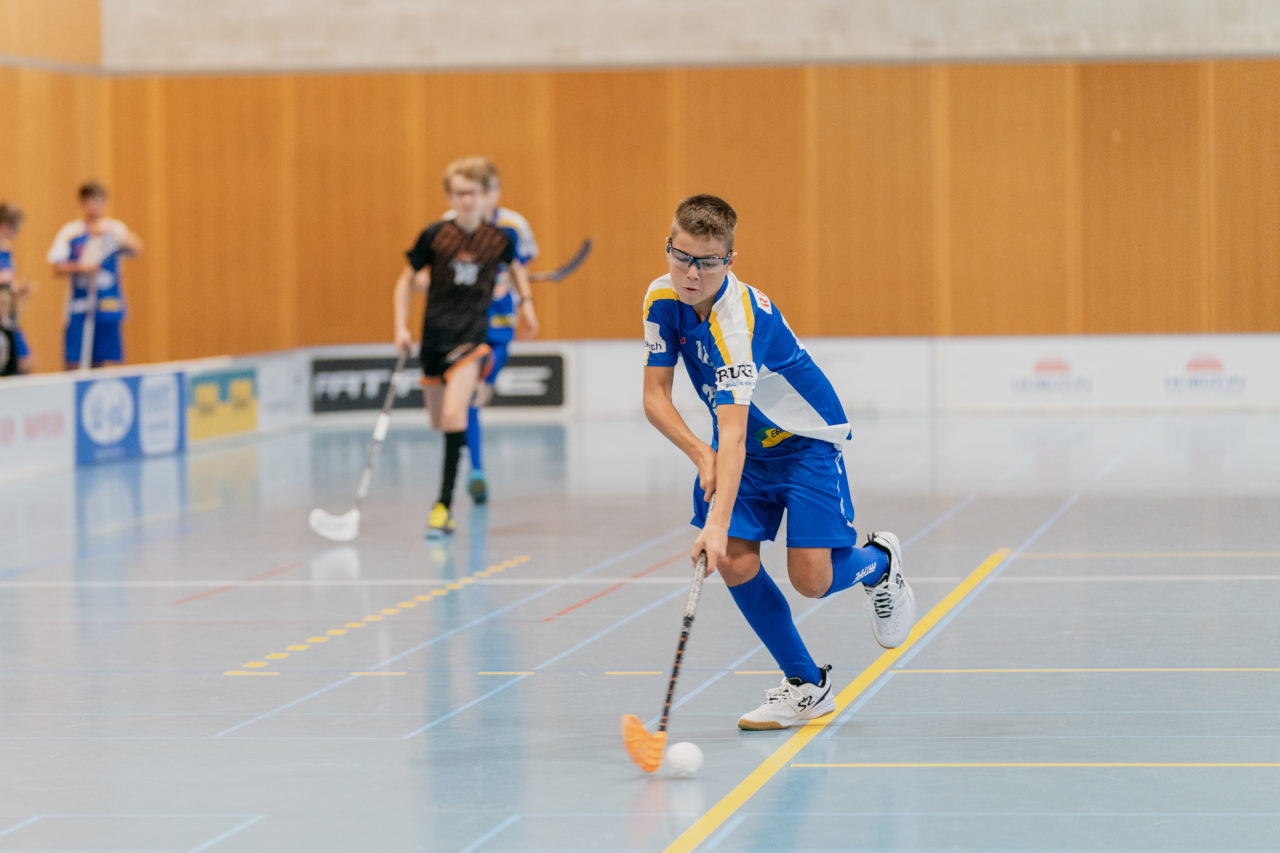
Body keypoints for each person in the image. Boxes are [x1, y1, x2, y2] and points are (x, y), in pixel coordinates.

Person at [641, 194, 917, 730]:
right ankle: (807, 685)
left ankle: (880, 564)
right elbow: (655, 397)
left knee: (812, 580)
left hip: (804, 442)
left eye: (707, 262)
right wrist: (699, 454)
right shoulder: (660, 297)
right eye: (681, 256)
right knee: (734, 561)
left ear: (730, 261)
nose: (691, 274)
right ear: (668, 245)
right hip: (743, 443)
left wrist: (715, 522)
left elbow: (733, 434)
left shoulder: (737, 324)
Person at [394, 157, 538, 536]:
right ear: (449, 197)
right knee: (442, 422)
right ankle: (463, 473)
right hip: (434, 341)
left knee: (456, 414)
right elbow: (406, 280)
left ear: (485, 195)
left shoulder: (501, 237)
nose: (467, 200)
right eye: (459, 194)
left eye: (473, 193)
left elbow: (517, 267)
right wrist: (400, 327)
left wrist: (526, 305)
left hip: (472, 341)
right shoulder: (434, 235)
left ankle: (442, 506)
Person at [442, 158, 540, 504]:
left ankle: (474, 467)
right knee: (469, 397)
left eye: (487, 190)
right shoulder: (448, 225)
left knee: (478, 391)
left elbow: (520, 263)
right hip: (464, 322)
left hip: (500, 319)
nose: (480, 198)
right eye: (468, 192)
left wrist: (515, 293)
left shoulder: (513, 225)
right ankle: (476, 471)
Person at [47, 181, 143, 370]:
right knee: (75, 360)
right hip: (79, 306)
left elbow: (137, 248)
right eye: (91, 201)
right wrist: (81, 267)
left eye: (99, 201)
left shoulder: (114, 228)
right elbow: (56, 268)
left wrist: (111, 232)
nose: (95, 206)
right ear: (82, 203)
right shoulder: (71, 231)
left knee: (107, 360)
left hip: (108, 304)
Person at [0, 203, 33, 373]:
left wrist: (18, 287)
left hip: (7, 315)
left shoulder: (6, 250)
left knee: (24, 361)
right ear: (6, 225)